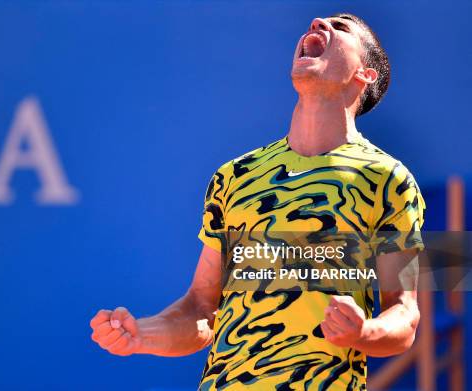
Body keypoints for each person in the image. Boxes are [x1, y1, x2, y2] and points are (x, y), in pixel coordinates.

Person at [90, 13, 425, 390]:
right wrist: (143, 334)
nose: (317, 23)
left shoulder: (387, 179)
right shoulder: (234, 176)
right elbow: (202, 309)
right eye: (316, 23)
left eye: (341, 27)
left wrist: (362, 332)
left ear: (365, 74)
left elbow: (405, 318)